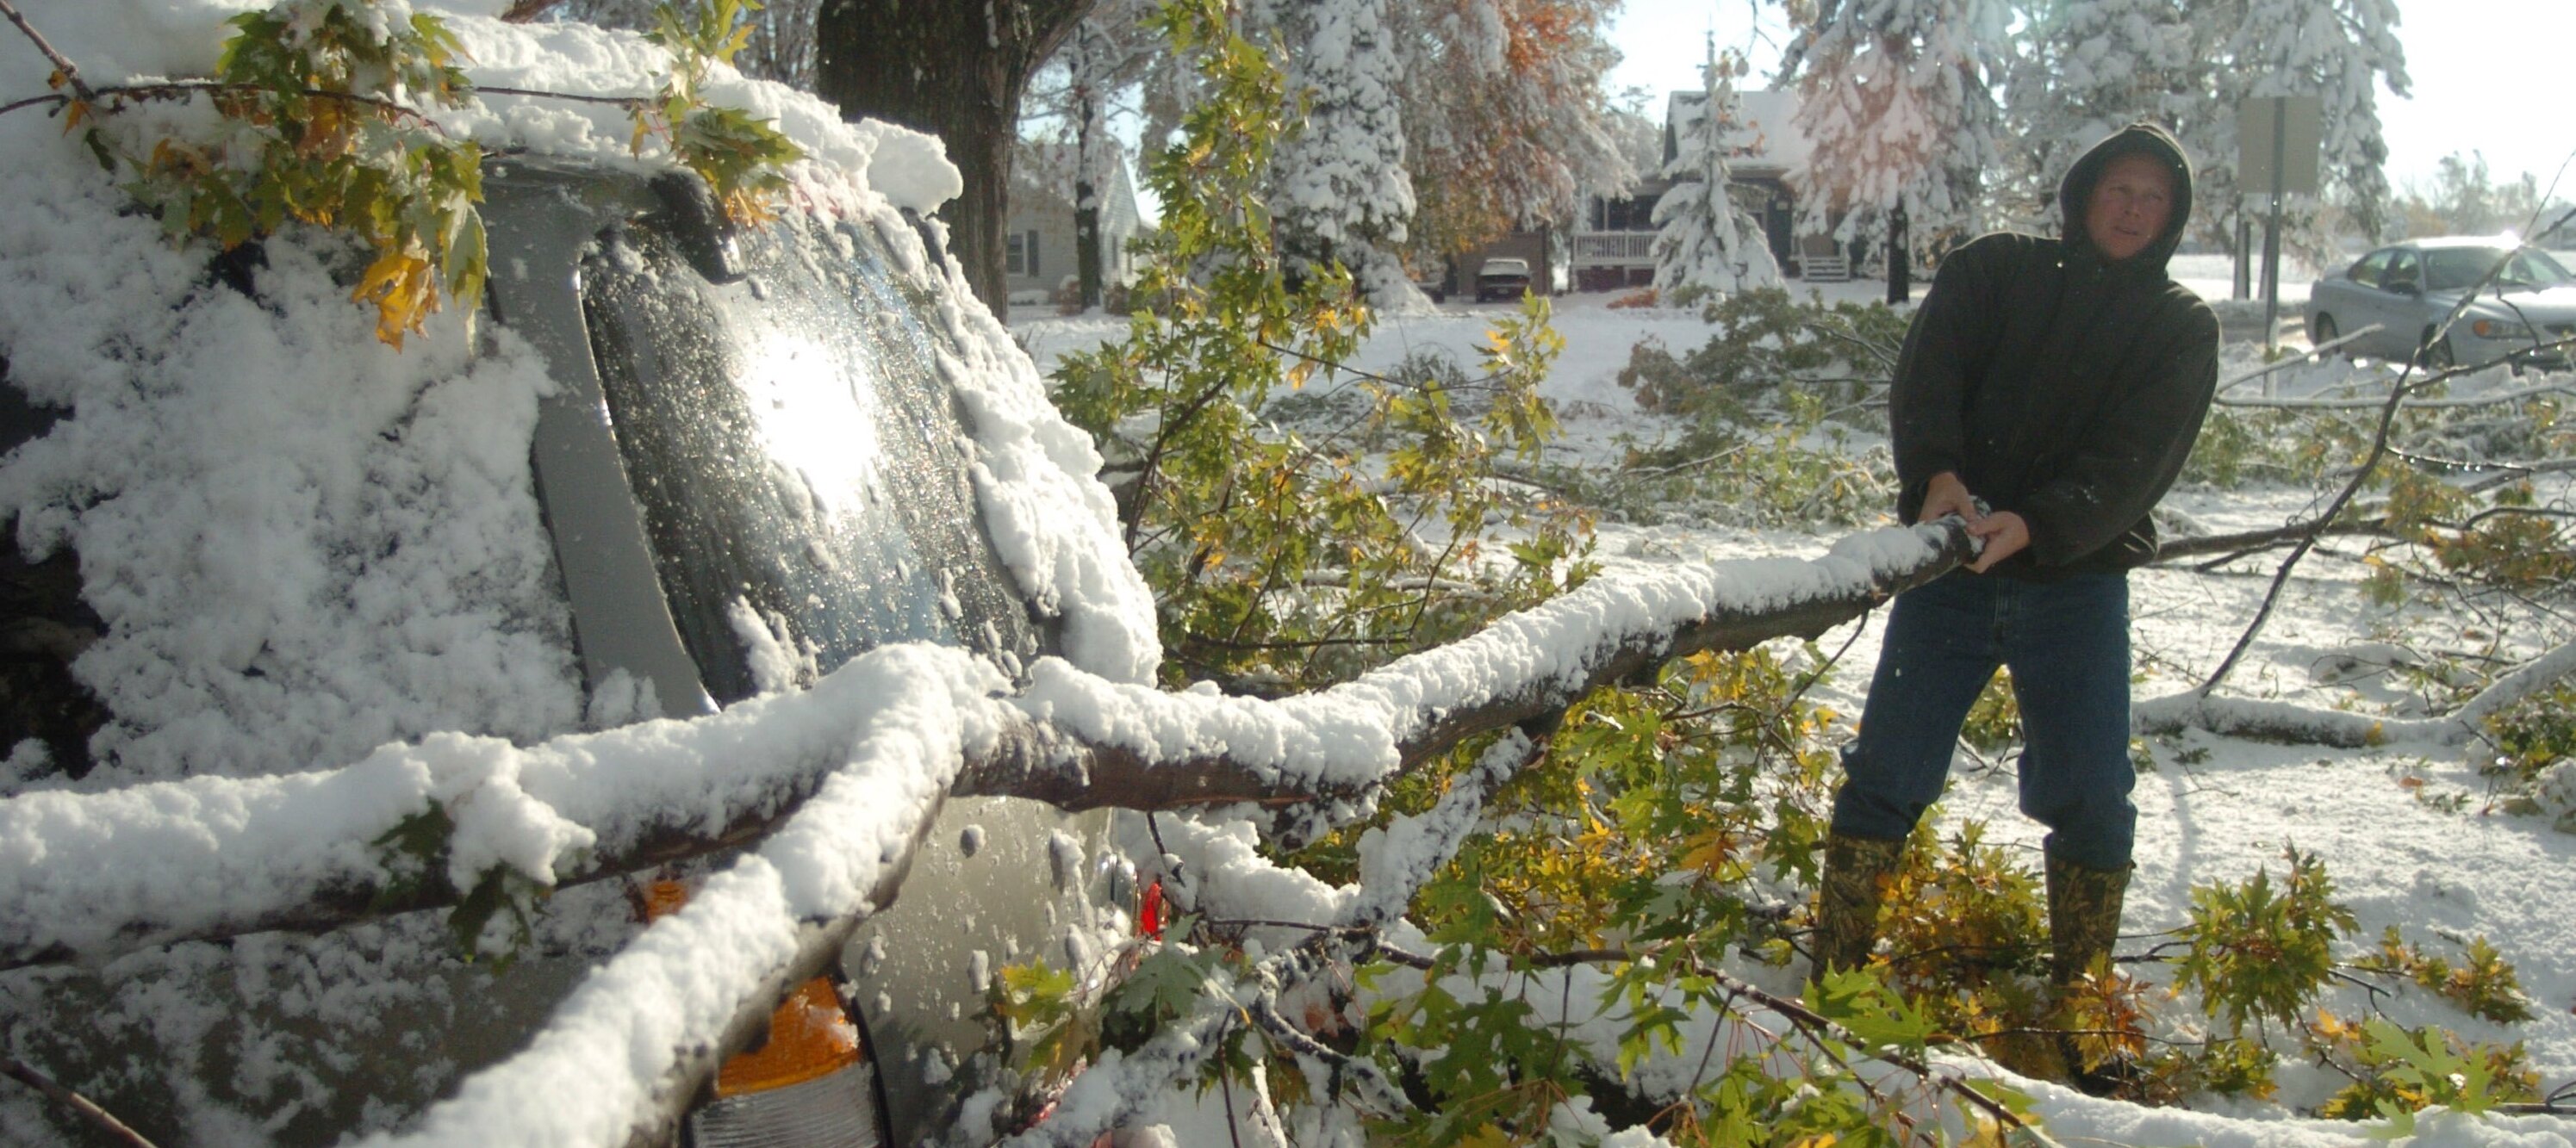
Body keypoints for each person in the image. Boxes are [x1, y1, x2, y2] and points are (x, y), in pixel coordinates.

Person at [1811, 124, 2219, 1070]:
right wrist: (1935, 478)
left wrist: (2040, 522)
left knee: (2090, 797)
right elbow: (1930, 376)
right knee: (1885, 772)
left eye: (2150, 198)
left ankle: (2079, 1004)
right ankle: (1831, 980)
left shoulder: (2176, 325)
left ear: (2170, 218)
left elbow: (2138, 459)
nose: (2129, 208)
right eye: (2117, 187)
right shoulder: (1994, 271)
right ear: (2080, 191)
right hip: (1949, 574)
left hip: (2076, 587)